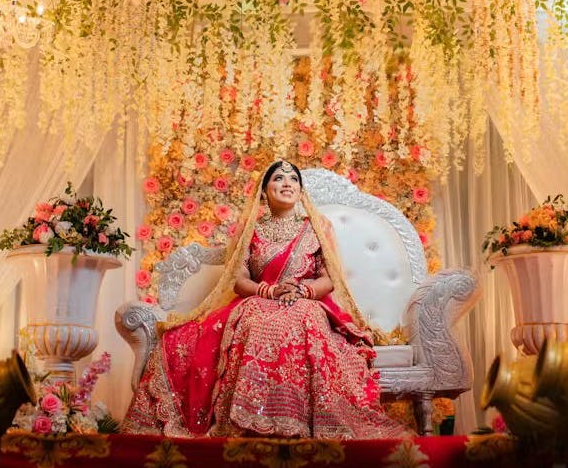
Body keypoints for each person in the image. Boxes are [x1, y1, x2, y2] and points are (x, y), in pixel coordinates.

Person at [122, 160, 408, 438]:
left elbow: (328, 278)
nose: (287, 184)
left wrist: (302, 291)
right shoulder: (252, 230)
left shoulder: (316, 228)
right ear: (263, 190)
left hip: (306, 300)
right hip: (260, 299)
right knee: (255, 319)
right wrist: (269, 291)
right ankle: (247, 421)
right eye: (279, 178)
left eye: (294, 179)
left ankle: (302, 420)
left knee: (305, 317)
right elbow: (239, 279)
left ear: (301, 190)